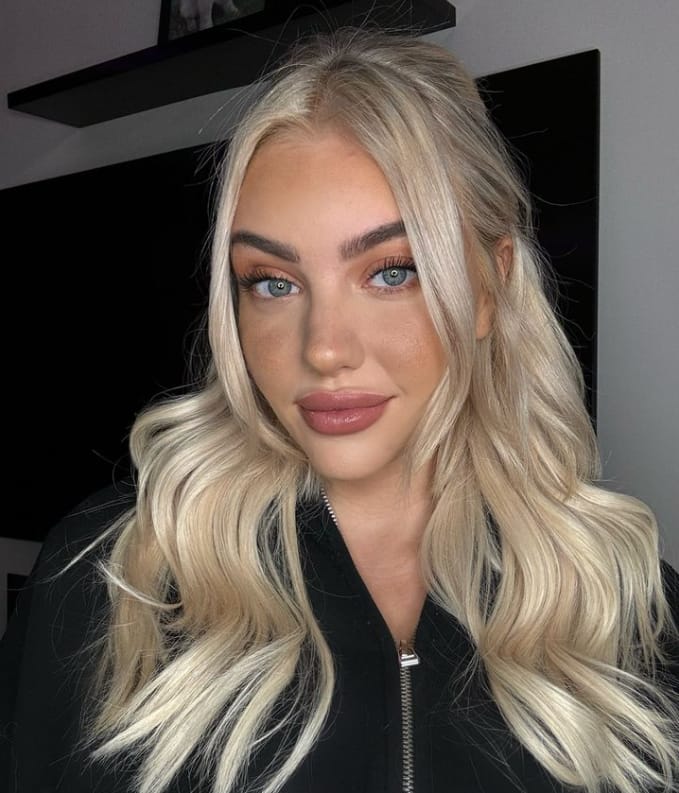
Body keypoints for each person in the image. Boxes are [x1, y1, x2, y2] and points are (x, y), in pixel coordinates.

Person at [1, 28, 678, 793]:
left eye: (391, 272)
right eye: (273, 282)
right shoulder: (110, 578)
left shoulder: (623, 603)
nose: (323, 348)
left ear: (488, 290)